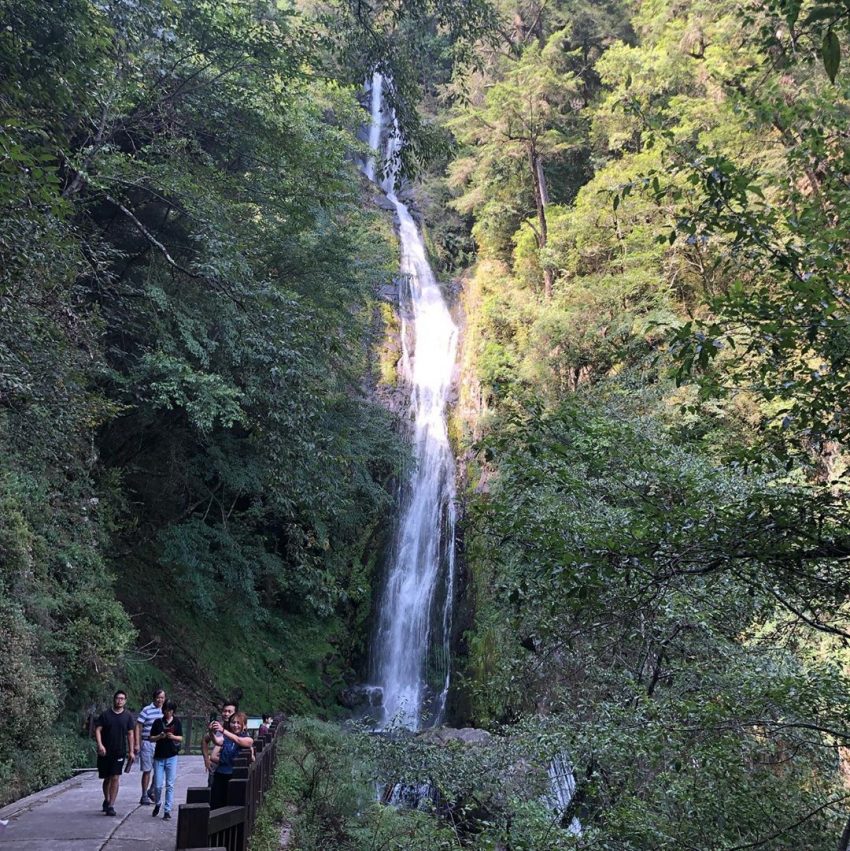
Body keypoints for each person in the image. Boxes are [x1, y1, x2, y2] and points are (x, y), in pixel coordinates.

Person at [94, 690, 136, 816]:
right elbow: (98, 729)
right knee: (107, 778)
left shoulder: (128, 716)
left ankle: (112, 805)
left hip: (120, 751)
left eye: (122, 698)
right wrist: (100, 745)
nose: (120, 700)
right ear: (114, 699)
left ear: (125, 701)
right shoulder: (106, 715)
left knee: (115, 777)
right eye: (118, 698)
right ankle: (106, 800)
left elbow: (130, 734)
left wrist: (131, 751)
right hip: (106, 751)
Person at [209, 711, 253, 809]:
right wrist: (211, 732)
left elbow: (239, 741)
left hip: (235, 777)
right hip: (220, 775)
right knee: (216, 804)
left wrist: (223, 730)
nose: (235, 725)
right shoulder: (226, 738)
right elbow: (216, 741)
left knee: (231, 805)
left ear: (244, 726)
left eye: (238, 723)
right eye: (233, 722)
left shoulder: (248, 739)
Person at [149, 700, 183, 820]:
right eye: (165, 710)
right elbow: (151, 738)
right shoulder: (158, 722)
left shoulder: (177, 722)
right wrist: (160, 736)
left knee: (170, 785)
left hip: (172, 756)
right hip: (159, 757)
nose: (167, 712)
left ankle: (167, 810)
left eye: (169, 710)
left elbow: (180, 738)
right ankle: (158, 803)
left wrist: (172, 736)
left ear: (173, 711)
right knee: (158, 785)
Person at [135, 687, 165, 805]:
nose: (160, 700)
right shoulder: (147, 710)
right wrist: (138, 743)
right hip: (147, 742)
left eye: (162, 698)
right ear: (154, 698)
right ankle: (143, 795)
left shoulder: (165, 711)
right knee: (147, 770)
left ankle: (151, 791)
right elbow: (138, 725)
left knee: (159, 770)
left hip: (161, 744)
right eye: (158, 697)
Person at [202, 701, 237, 785]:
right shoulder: (218, 726)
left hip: (231, 769)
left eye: (229, 711)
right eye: (224, 711)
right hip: (216, 768)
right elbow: (204, 740)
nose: (226, 714)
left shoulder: (237, 728)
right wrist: (206, 759)